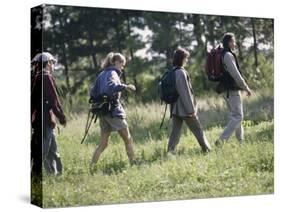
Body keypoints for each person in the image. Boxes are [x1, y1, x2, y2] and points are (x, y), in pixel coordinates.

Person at [89, 52, 136, 173]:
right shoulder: (112, 73)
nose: (122, 66)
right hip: (113, 112)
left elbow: (93, 93)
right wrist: (125, 86)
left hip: (103, 113)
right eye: (122, 63)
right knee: (128, 139)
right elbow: (109, 88)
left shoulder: (101, 74)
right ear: (115, 62)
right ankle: (134, 164)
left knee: (103, 144)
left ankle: (91, 167)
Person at [167, 48, 211, 154]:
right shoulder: (181, 73)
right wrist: (191, 110)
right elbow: (185, 93)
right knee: (198, 129)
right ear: (181, 59)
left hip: (175, 108)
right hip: (184, 109)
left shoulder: (172, 71)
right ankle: (207, 150)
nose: (187, 60)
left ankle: (170, 152)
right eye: (186, 58)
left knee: (175, 132)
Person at [31, 52, 67, 177]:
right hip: (45, 119)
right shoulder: (45, 77)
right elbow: (53, 100)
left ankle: (56, 175)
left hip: (41, 120)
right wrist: (61, 116)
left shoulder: (36, 77)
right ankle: (34, 175)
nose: (53, 66)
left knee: (53, 149)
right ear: (48, 63)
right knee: (43, 150)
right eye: (52, 63)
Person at [215, 32, 252, 146]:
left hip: (228, 90)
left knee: (236, 115)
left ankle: (240, 142)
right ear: (229, 42)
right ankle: (221, 141)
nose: (235, 43)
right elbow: (236, 75)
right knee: (238, 116)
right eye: (233, 41)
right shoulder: (228, 55)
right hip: (231, 90)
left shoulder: (224, 54)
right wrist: (246, 88)